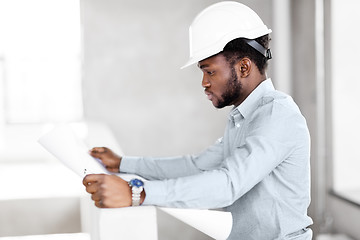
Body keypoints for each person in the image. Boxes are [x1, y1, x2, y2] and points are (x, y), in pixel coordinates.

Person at [83, 1, 313, 239]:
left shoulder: (277, 115)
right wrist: (122, 164)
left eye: (210, 71)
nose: (204, 82)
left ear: (244, 67)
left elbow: (229, 184)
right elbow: (196, 166)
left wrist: (137, 193)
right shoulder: (242, 118)